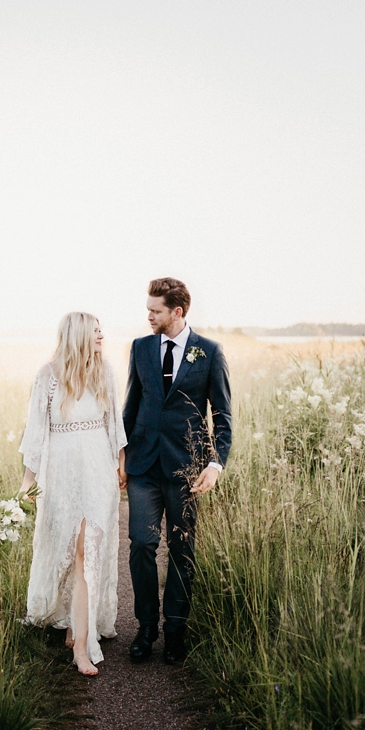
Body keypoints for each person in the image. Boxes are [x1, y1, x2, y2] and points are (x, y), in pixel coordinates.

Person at [123, 278, 232, 664]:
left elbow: (222, 416)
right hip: (143, 464)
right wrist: (121, 455)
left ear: (177, 312)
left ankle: (175, 632)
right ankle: (146, 627)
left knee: (182, 549)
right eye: (148, 309)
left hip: (187, 469)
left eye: (155, 310)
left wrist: (215, 464)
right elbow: (131, 405)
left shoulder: (210, 352)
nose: (148, 315)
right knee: (141, 544)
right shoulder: (140, 348)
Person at [19, 312, 127, 676]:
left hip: (98, 472)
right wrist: (27, 480)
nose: (102, 336)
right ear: (78, 335)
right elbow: (35, 432)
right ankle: (70, 622)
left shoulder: (104, 371)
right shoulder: (48, 376)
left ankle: (81, 645)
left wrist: (120, 465)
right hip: (62, 475)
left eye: (101, 330)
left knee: (87, 553)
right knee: (65, 549)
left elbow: (116, 423)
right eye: (96, 332)